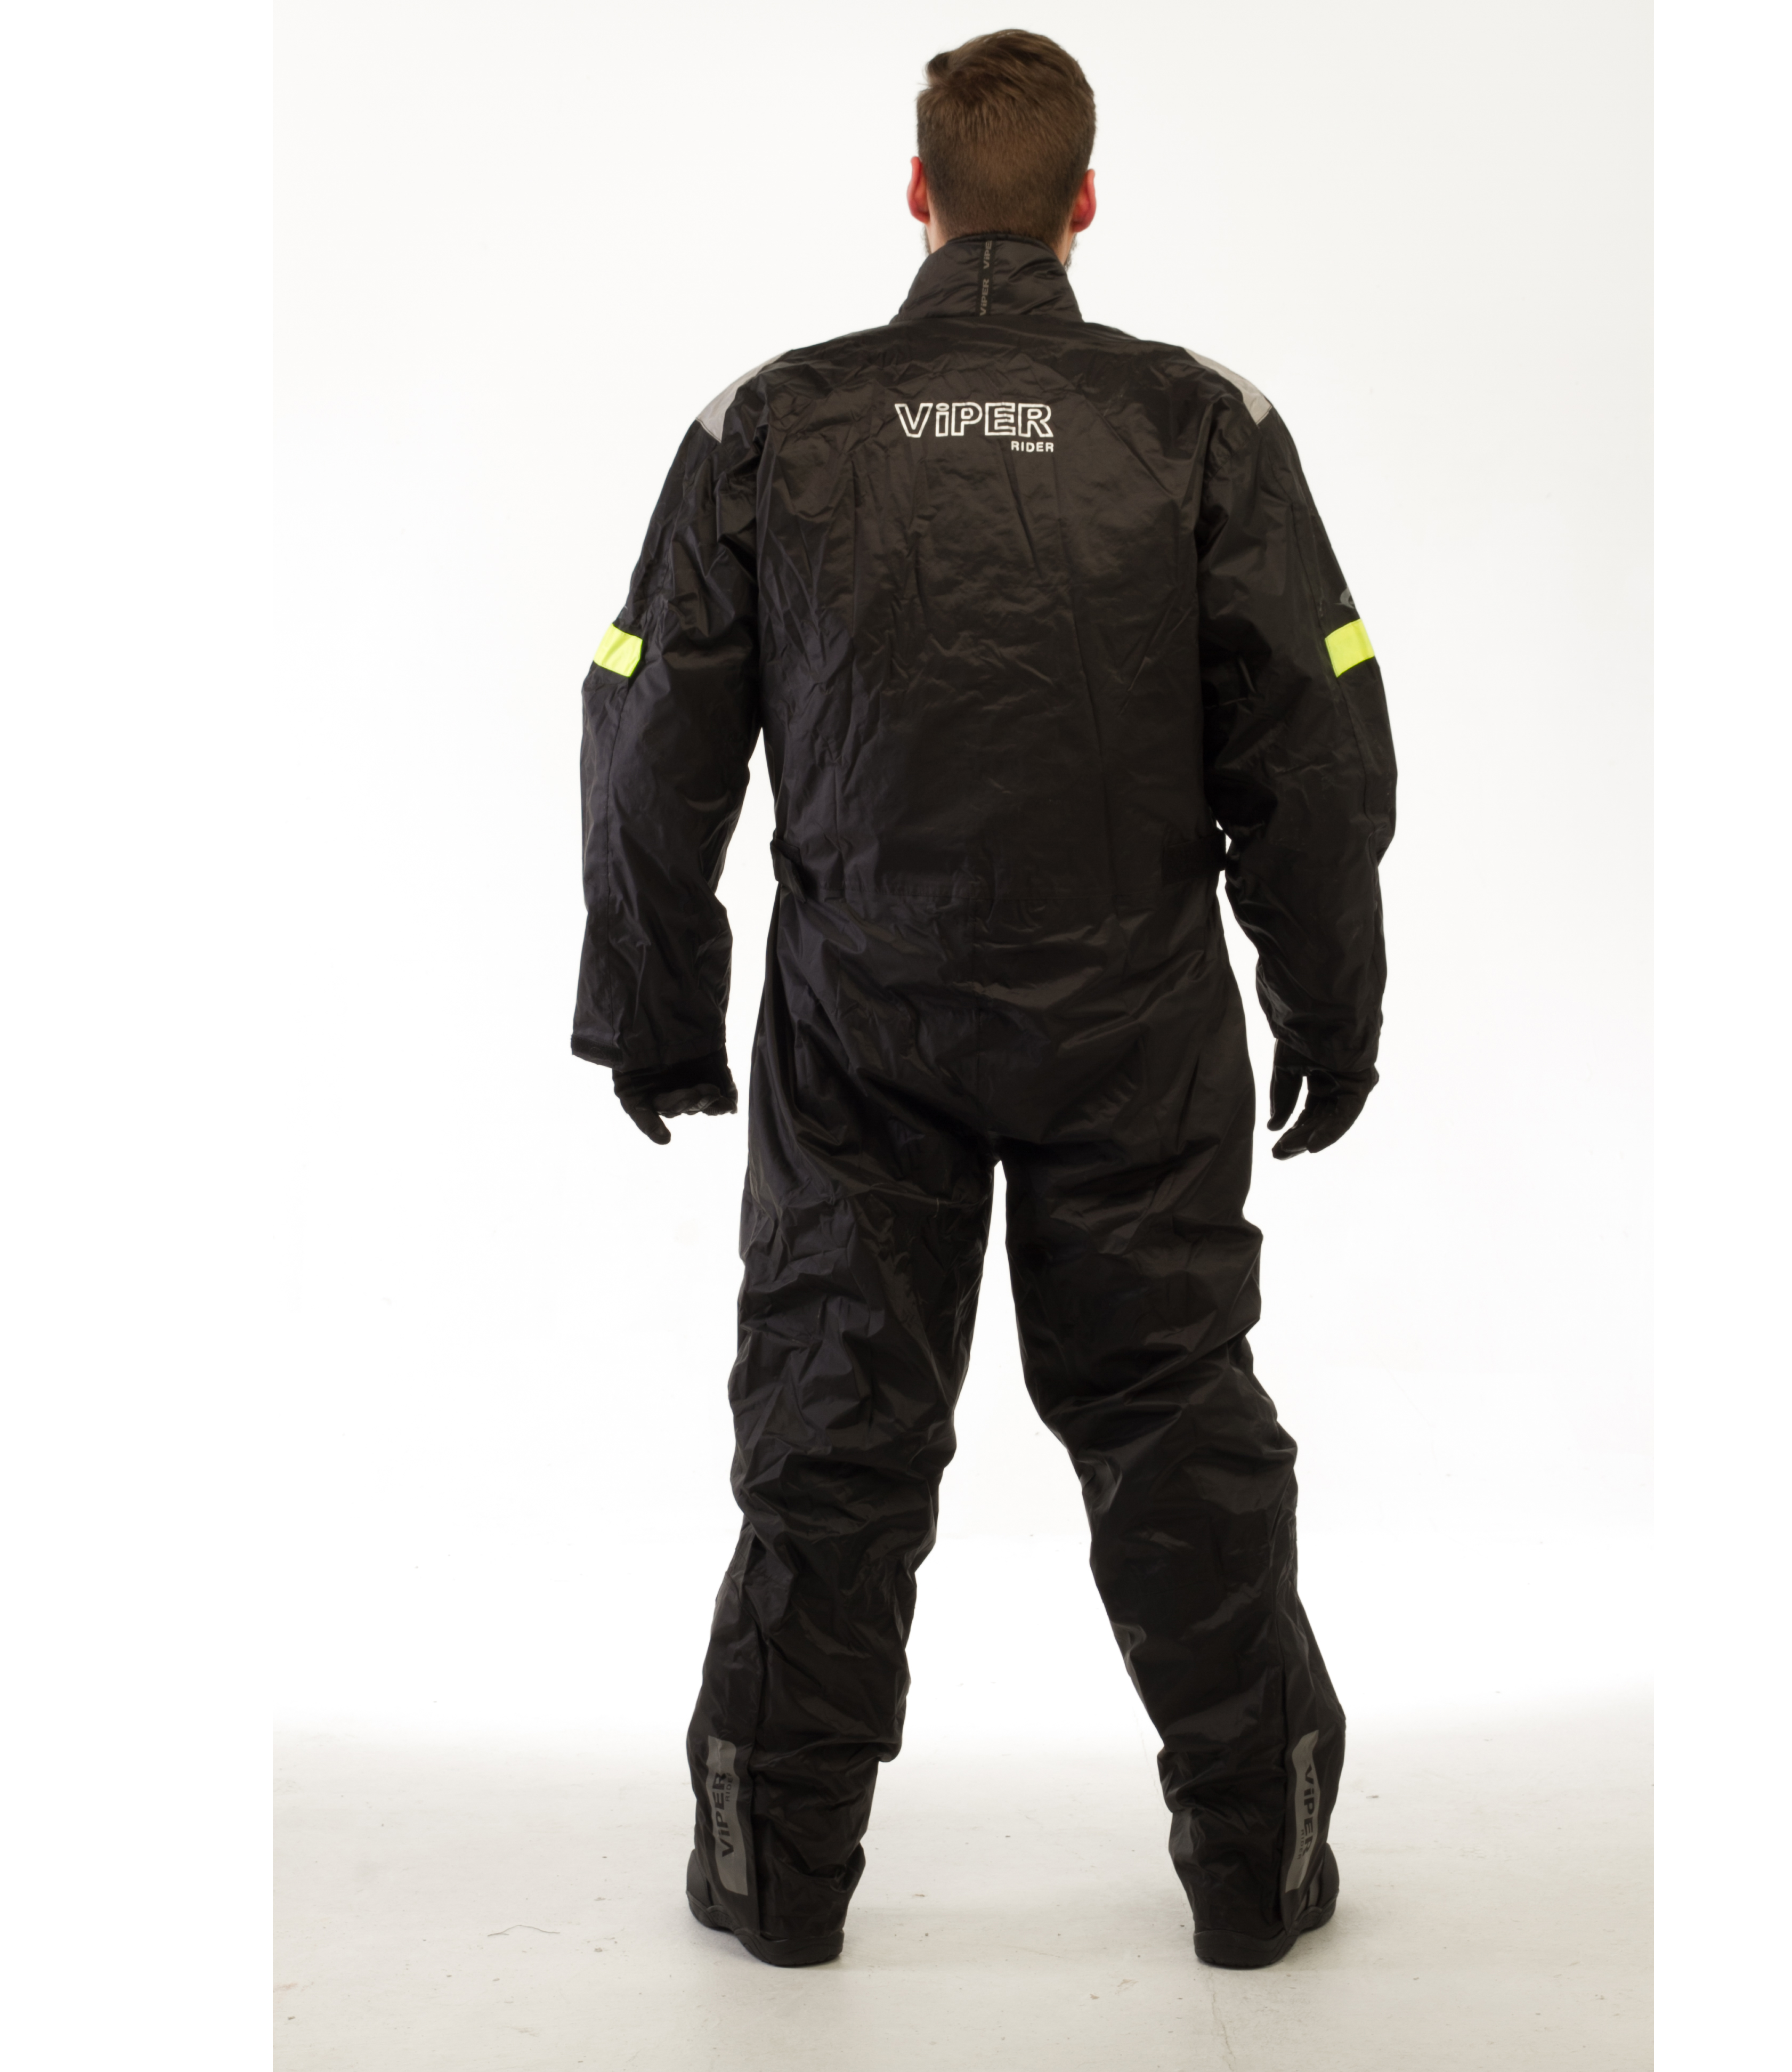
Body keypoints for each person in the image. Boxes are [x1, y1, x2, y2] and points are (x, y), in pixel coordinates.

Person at [570, 28, 1395, 1972]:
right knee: (1174, 1421)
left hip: (866, 1024)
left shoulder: (770, 424)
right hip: (1136, 1032)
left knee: (833, 1429)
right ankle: (1255, 1879)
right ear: (1086, 202)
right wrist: (1329, 1001)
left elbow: (644, 737)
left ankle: (774, 1883)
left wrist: (659, 1004)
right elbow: (1316, 742)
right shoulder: (1205, 426)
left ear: (918, 195)